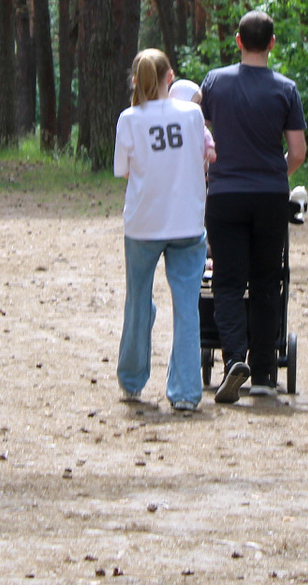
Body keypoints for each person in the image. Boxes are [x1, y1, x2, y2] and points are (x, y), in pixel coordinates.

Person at [196, 10, 307, 404]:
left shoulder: (215, 82)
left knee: (226, 282)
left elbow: (199, 129)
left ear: (238, 41)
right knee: (265, 281)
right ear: (272, 43)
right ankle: (262, 373)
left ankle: (233, 362)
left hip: (224, 193)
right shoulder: (286, 89)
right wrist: (277, 171)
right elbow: (297, 151)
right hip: (269, 195)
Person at [113, 49, 214, 412]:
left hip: (143, 222)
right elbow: (202, 156)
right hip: (187, 220)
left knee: (138, 300)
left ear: (138, 81)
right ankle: (186, 392)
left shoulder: (129, 118)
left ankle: (132, 380)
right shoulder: (192, 114)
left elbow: (124, 170)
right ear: (170, 78)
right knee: (187, 304)